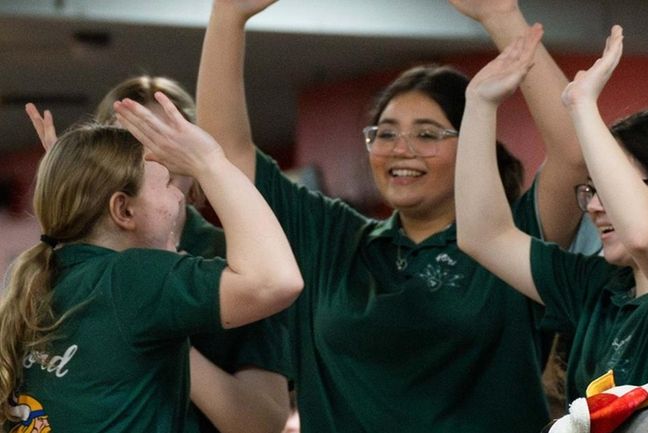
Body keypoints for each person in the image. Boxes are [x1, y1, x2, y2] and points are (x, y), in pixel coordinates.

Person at [194, 0, 598, 431]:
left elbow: (574, 158)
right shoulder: (334, 238)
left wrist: (501, 17)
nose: (400, 148)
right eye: (385, 133)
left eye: (427, 134)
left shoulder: (511, 242)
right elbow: (227, 156)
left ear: (475, 145)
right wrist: (227, 14)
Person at [456, 23, 648, 405]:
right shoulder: (597, 287)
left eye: (615, 189)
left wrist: (583, 107)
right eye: (592, 190)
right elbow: (482, 235)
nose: (597, 206)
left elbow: (645, 238)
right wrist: (479, 105)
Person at [0, 93, 303, 431]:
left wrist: (76, 181)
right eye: (167, 182)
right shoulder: (134, 277)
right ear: (124, 210)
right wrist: (209, 161)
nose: (179, 197)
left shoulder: (47, 275)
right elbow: (276, 281)